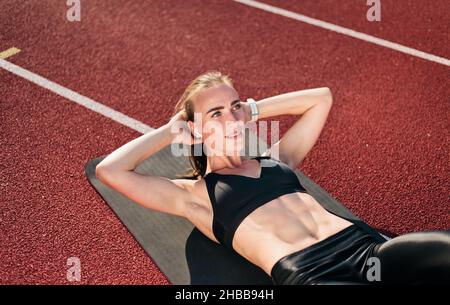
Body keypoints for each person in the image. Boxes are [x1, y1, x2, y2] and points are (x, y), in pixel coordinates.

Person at [95, 71, 450, 285]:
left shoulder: (276, 160)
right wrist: (172, 132)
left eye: (234, 107)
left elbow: (321, 100)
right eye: (215, 113)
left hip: (367, 250)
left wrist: (251, 109)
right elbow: (109, 171)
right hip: (314, 275)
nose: (231, 119)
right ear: (196, 128)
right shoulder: (195, 196)